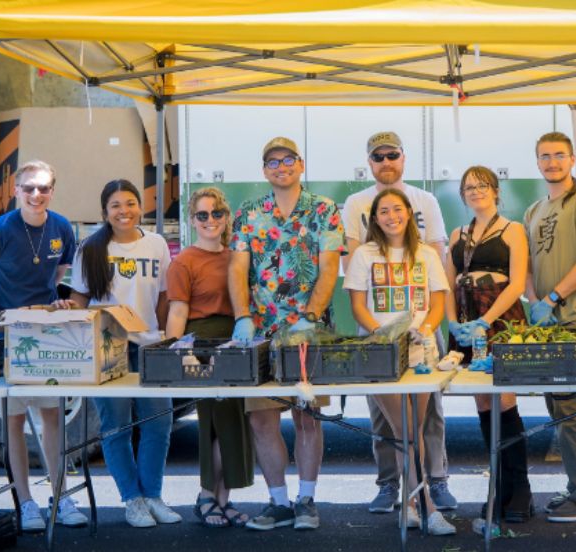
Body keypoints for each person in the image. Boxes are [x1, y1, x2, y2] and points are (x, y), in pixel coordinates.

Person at [229, 137, 343, 531]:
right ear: (264, 171)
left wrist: (310, 314)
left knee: (307, 415)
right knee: (262, 420)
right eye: (272, 162)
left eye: (288, 159)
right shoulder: (248, 213)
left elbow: (329, 267)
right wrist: (242, 315)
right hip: (260, 333)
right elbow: (237, 268)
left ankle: (307, 500)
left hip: (310, 333)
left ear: (301, 164)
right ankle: (277, 502)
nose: (281, 166)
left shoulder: (325, 210)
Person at [341, 131, 457, 513]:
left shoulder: (426, 200)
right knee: (381, 412)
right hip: (376, 325)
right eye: (378, 156)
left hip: (422, 327)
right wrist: (378, 328)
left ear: (403, 158)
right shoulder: (355, 203)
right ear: (369, 162)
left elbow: (438, 258)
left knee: (429, 412)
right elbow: (354, 264)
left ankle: (434, 481)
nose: (386, 161)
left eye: (392, 154)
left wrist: (428, 325)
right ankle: (390, 484)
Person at [0, 160, 88, 532]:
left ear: (52, 190)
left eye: (43, 188)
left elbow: (56, 275)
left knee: (53, 416)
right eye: (28, 188)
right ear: (16, 191)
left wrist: (51, 303)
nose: (36, 195)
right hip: (7, 339)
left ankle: (61, 495)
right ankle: (25, 502)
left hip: (44, 337)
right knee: (14, 420)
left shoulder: (61, 227)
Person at [63, 179, 181, 528]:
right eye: (115, 205)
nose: (124, 211)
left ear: (139, 207)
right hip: (108, 347)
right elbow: (80, 300)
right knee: (116, 428)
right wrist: (66, 308)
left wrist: (162, 339)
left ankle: (152, 496)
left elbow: (163, 296)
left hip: (149, 345)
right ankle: (131, 500)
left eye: (130, 203)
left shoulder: (157, 244)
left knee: (159, 424)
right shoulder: (91, 248)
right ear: (105, 212)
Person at [524, 131, 576, 522]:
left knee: (572, 406)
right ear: (537, 162)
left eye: (559, 155)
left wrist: (552, 299)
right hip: (548, 324)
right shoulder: (535, 209)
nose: (552, 162)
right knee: (559, 407)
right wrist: (532, 302)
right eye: (545, 156)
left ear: (572, 160)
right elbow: (528, 267)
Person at [443, 166, 533, 524]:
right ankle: (497, 486)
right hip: (466, 321)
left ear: (495, 191)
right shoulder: (457, 233)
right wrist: (454, 322)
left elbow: (516, 284)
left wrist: (486, 321)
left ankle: (520, 489)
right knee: (482, 400)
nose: (475, 191)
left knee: (504, 399)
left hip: (501, 320)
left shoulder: (513, 230)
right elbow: (448, 285)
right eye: (469, 187)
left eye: (482, 185)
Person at [164, 187, 253, 528]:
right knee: (214, 426)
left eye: (217, 213)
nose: (211, 220)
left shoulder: (237, 256)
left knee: (236, 424)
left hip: (236, 344)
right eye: (202, 215)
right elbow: (177, 312)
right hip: (202, 347)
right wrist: (173, 356)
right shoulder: (184, 261)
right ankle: (206, 496)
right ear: (192, 220)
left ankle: (224, 498)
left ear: (226, 217)